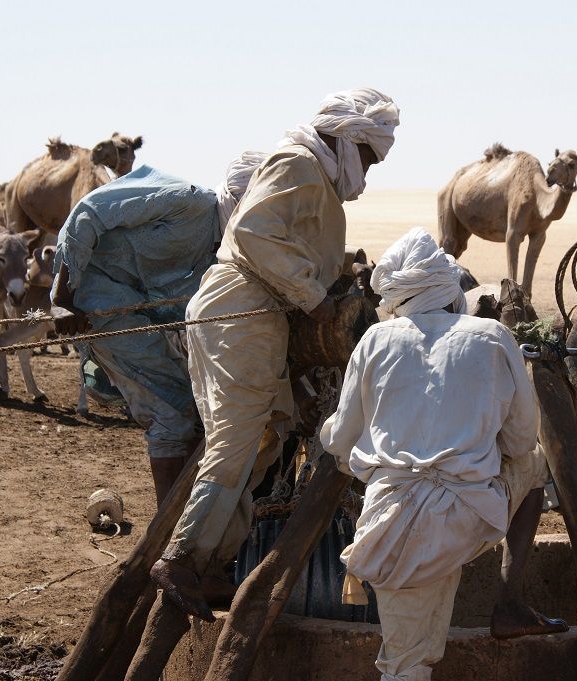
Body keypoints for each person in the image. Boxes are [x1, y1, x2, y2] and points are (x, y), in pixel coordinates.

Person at [151, 88, 401, 620]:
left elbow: (295, 244)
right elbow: (253, 231)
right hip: (243, 308)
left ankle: (213, 563)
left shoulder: (316, 178)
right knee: (237, 437)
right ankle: (181, 559)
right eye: (369, 158)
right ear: (348, 139)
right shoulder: (299, 162)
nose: (368, 171)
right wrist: (314, 297)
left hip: (259, 317)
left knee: (266, 435)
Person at [320, 228, 568, 681]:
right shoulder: (493, 336)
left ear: (396, 297)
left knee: (405, 664)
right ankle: (510, 601)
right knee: (533, 464)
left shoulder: (374, 340)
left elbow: (339, 441)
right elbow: (519, 442)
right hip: (470, 515)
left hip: (390, 527)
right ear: (448, 287)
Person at [51, 158, 262, 508]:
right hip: (96, 300)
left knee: (196, 410)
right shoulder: (187, 202)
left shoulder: (225, 253)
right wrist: (63, 299)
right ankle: (168, 526)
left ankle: (188, 519)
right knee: (170, 414)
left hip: (138, 315)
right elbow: (89, 212)